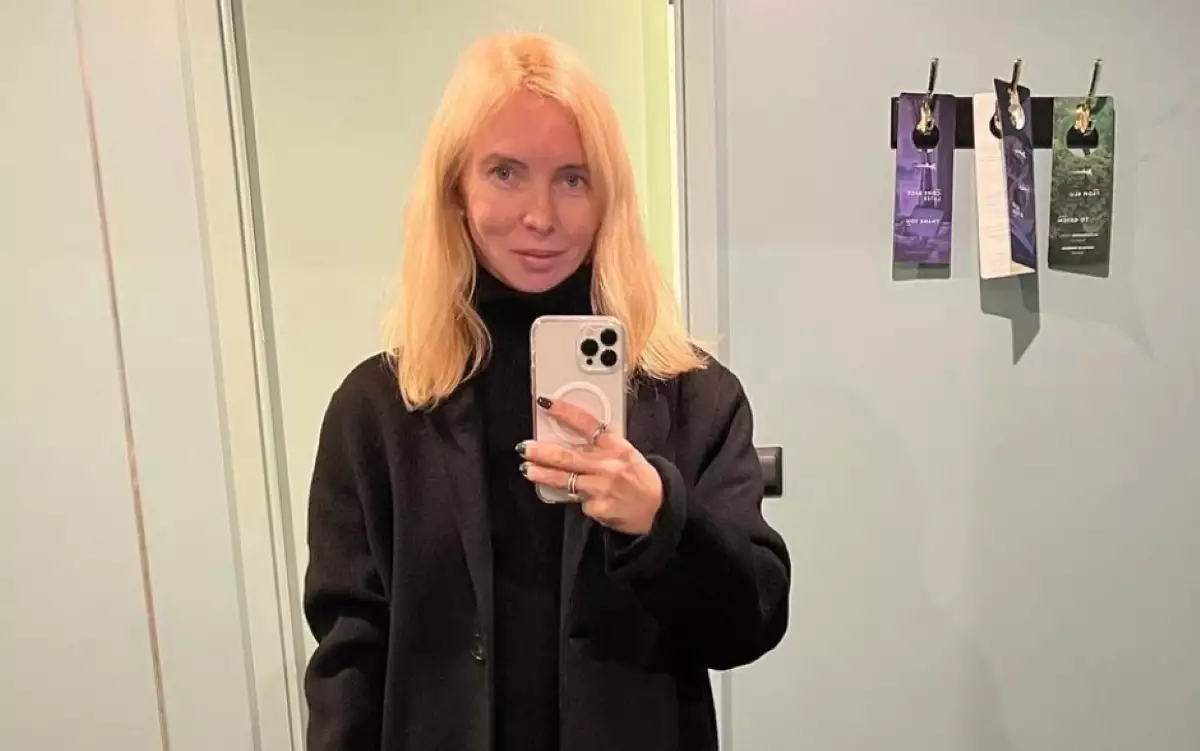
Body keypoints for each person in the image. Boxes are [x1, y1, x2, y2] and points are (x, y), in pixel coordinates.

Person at [302, 30, 791, 751]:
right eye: (505, 172)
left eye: (573, 178)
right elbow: (349, 653)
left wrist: (661, 518)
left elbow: (752, 621)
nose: (541, 216)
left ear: (608, 197)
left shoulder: (692, 398)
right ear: (456, 190)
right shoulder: (377, 411)